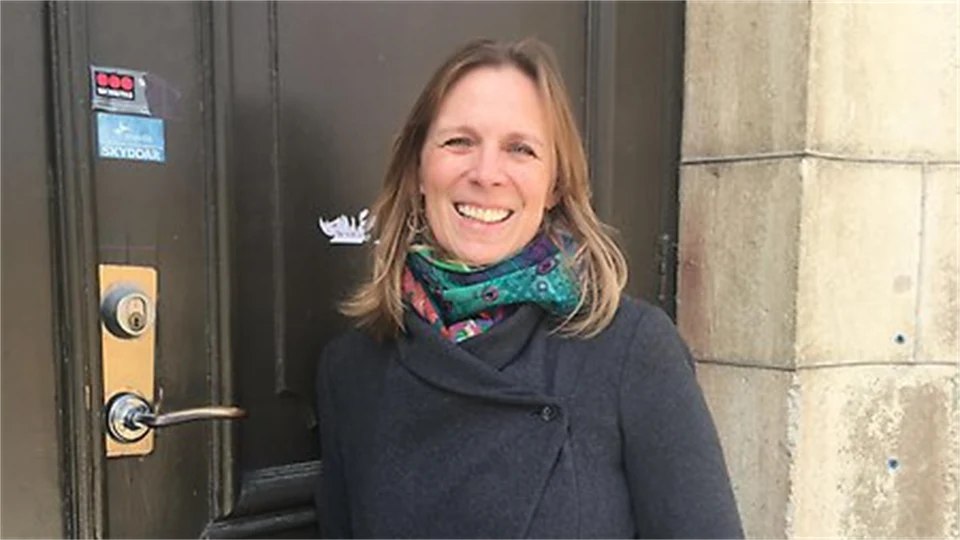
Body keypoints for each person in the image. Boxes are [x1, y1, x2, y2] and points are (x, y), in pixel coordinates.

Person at [316, 37, 744, 540]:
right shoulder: (352, 368)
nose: (486, 174)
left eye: (520, 149)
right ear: (417, 170)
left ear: (555, 184)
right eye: (459, 142)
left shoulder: (632, 351)